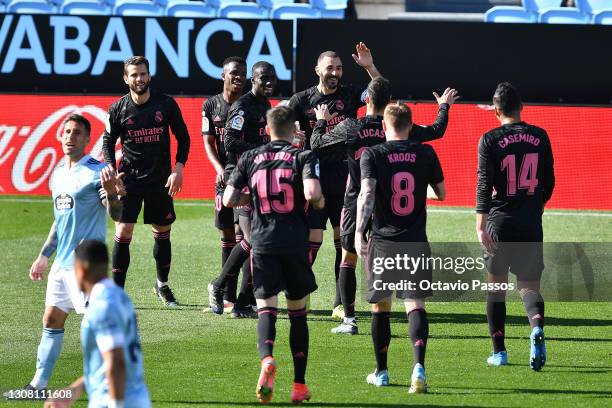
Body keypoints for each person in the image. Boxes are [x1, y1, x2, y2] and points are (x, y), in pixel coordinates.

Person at [312, 78, 459, 335]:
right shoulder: (399, 127)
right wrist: (444, 106)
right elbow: (437, 130)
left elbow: (316, 144)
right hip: (388, 205)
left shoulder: (350, 127)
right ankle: (406, 307)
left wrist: (322, 120)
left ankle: (349, 319)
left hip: (356, 199)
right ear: (389, 101)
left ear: (366, 99)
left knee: (348, 259)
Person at [223, 105, 324, 404]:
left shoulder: (250, 157)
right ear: (294, 129)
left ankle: (267, 358)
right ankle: (299, 386)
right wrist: (318, 202)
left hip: (262, 241)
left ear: (267, 129)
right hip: (294, 242)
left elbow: (229, 199)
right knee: (298, 314)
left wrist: (252, 197)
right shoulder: (302, 156)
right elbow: (311, 194)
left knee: (266, 308)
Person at [25, 114, 124, 395]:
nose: (71, 136)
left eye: (77, 132)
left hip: (85, 266)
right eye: (66, 131)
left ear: (87, 139)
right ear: (59, 135)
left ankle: (108, 383)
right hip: (61, 265)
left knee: (97, 329)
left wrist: (112, 194)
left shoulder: (97, 172)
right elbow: (60, 220)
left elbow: (116, 215)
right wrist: (44, 256)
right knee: (52, 319)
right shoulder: (57, 174)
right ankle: (38, 385)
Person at [355, 103, 446, 393]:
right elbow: (442, 193)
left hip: (383, 241)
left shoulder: (373, 154)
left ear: (384, 126)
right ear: (410, 125)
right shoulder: (426, 153)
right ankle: (419, 367)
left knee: (380, 306)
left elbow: (367, 193)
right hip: (415, 239)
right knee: (415, 304)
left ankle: (381, 372)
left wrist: (359, 232)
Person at [288, 43, 381, 319]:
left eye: (339, 68)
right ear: (317, 70)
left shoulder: (351, 94)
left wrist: (369, 67)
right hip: (313, 179)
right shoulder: (301, 100)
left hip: (344, 179)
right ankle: (298, 292)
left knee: (344, 243)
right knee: (312, 241)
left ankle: (340, 304)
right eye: (330, 67)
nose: (335, 73)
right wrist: (293, 140)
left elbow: (380, 93)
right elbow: (280, 129)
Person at [476, 82, 555, 371]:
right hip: (530, 223)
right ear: (521, 107)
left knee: (496, 288)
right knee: (529, 287)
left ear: (495, 110)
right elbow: (549, 182)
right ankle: (536, 326)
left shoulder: (489, 139)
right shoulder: (540, 135)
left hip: (500, 222)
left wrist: (480, 225)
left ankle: (499, 352)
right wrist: (535, 208)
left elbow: (484, 185)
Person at [102, 56, 191, 307]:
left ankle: (162, 285)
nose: (139, 79)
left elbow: (183, 138)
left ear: (149, 76)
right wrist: (112, 171)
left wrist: (178, 169)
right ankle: (117, 294)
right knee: (123, 231)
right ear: (126, 79)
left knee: (162, 232)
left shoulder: (166, 104)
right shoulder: (117, 109)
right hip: (129, 180)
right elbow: (107, 141)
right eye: (134, 75)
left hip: (161, 181)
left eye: (143, 74)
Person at [207, 61, 282, 318]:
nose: (270, 82)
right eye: (264, 78)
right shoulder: (243, 106)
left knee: (252, 239)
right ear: (253, 80)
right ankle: (218, 287)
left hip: (256, 176)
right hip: (239, 176)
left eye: (273, 78)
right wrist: (263, 150)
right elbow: (229, 141)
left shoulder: (264, 105)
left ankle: (242, 302)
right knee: (251, 239)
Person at [44, 240, 151, 408]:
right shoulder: (120, 297)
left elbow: (115, 361)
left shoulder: (102, 307)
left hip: (113, 400)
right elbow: (107, 362)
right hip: (134, 398)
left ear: (82, 269)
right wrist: (75, 389)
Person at [202, 56, 248, 310]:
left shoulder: (251, 105)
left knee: (247, 236)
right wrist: (218, 168)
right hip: (224, 179)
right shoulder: (211, 105)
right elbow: (208, 141)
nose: (239, 77)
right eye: (234, 73)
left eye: (242, 73)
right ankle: (226, 298)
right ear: (223, 76)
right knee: (228, 236)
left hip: (246, 179)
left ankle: (240, 298)